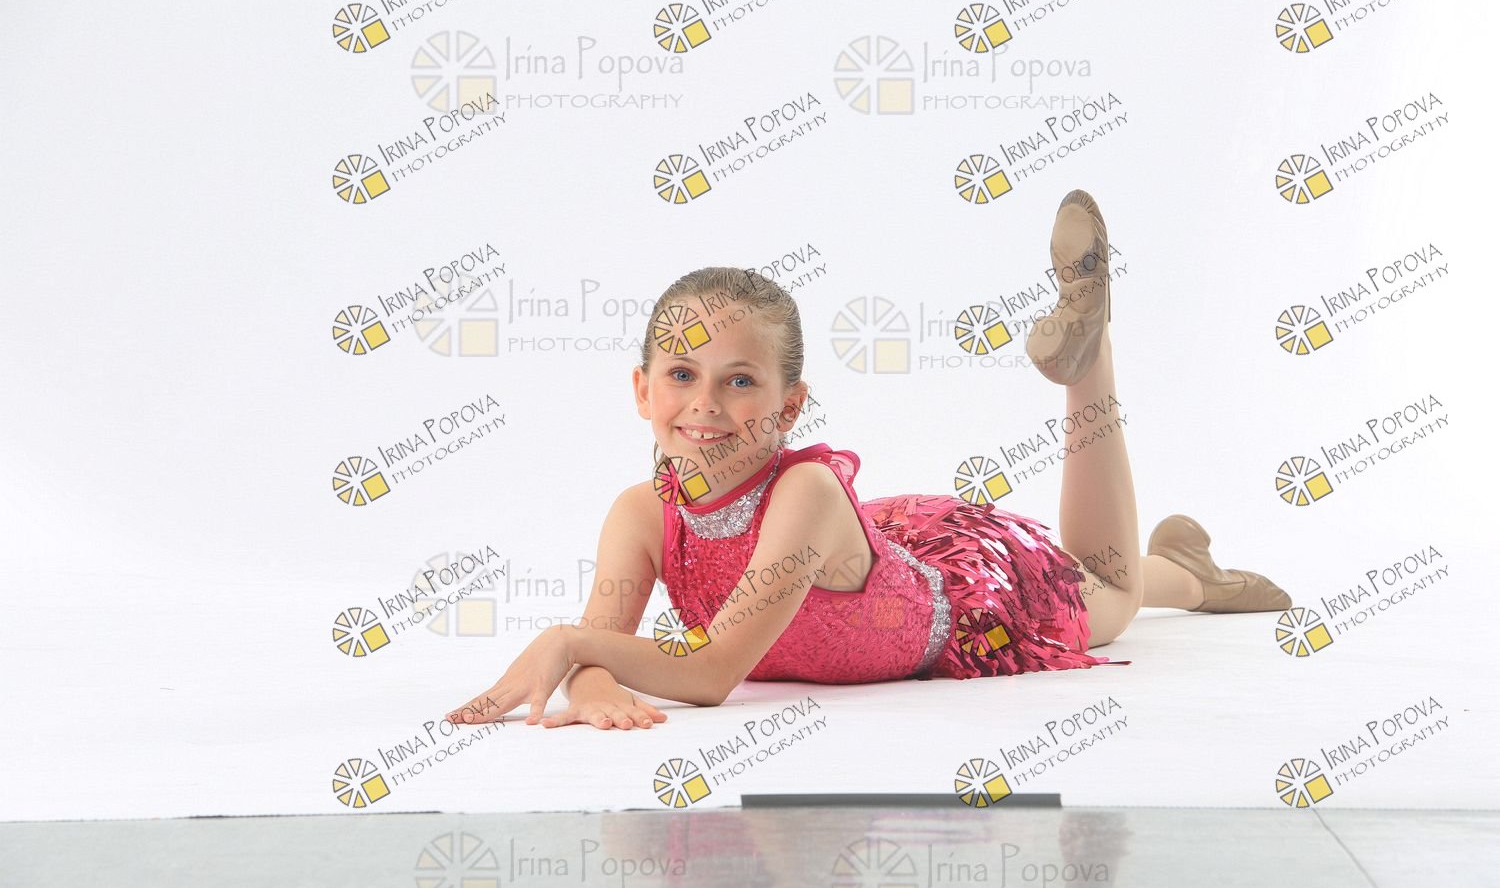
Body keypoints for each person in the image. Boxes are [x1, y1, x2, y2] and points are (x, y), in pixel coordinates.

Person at [446, 190, 1291, 731]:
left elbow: (707, 675)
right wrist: (592, 682)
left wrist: (572, 649)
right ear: (642, 389)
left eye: (739, 381)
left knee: (1110, 592)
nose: (704, 404)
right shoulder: (640, 512)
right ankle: (1188, 564)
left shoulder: (807, 490)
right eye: (681, 375)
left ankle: (1090, 355)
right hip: (880, 546)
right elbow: (605, 643)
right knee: (1119, 580)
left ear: (789, 407)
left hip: (969, 600)